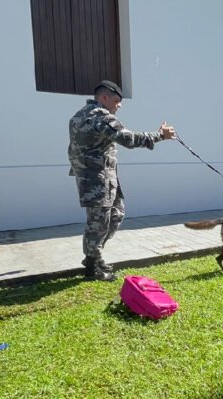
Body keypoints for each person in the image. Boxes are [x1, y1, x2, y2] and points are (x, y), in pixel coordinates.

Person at [68, 80, 175, 281]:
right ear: (104, 98)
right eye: (116, 100)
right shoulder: (100, 116)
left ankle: (95, 256)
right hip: (97, 178)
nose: (119, 105)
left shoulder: (78, 116)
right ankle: (92, 267)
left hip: (97, 176)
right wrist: (160, 135)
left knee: (115, 214)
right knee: (98, 222)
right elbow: (127, 139)